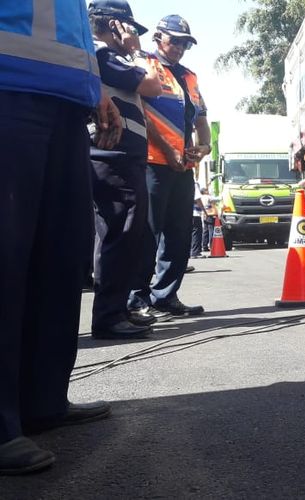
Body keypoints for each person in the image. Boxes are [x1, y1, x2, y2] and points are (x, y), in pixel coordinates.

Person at [0, 0, 122, 475]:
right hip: (9, 89)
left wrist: (96, 90)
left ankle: (42, 400)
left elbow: (65, 28)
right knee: (6, 257)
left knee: (59, 256)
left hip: (67, 102)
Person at [88, 0, 164, 339]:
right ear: (115, 25)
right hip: (115, 157)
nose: (132, 36)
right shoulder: (105, 54)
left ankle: (116, 310)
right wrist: (137, 52)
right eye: (129, 29)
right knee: (121, 232)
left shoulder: (106, 58)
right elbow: (153, 86)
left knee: (124, 234)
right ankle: (109, 316)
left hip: (122, 156)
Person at [128, 14, 210, 317]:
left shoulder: (189, 76)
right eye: (173, 40)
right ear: (158, 38)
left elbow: (200, 116)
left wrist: (204, 146)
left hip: (183, 166)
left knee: (178, 233)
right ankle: (137, 299)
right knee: (148, 232)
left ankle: (165, 295)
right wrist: (167, 148)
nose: (178, 47)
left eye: (184, 43)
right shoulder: (145, 65)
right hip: (153, 160)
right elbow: (141, 110)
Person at [190, 180, 207, 258]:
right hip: (195, 213)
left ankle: (190, 251)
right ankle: (195, 252)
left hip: (185, 213)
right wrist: (204, 211)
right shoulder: (193, 184)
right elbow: (198, 199)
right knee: (196, 232)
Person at [201, 187, 217, 252]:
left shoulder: (201, 197)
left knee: (205, 231)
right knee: (211, 231)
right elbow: (216, 199)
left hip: (204, 215)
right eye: (206, 190)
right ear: (204, 191)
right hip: (210, 214)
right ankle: (211, 245)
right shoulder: (208, 197)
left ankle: (204, 246)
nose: (208, 191)